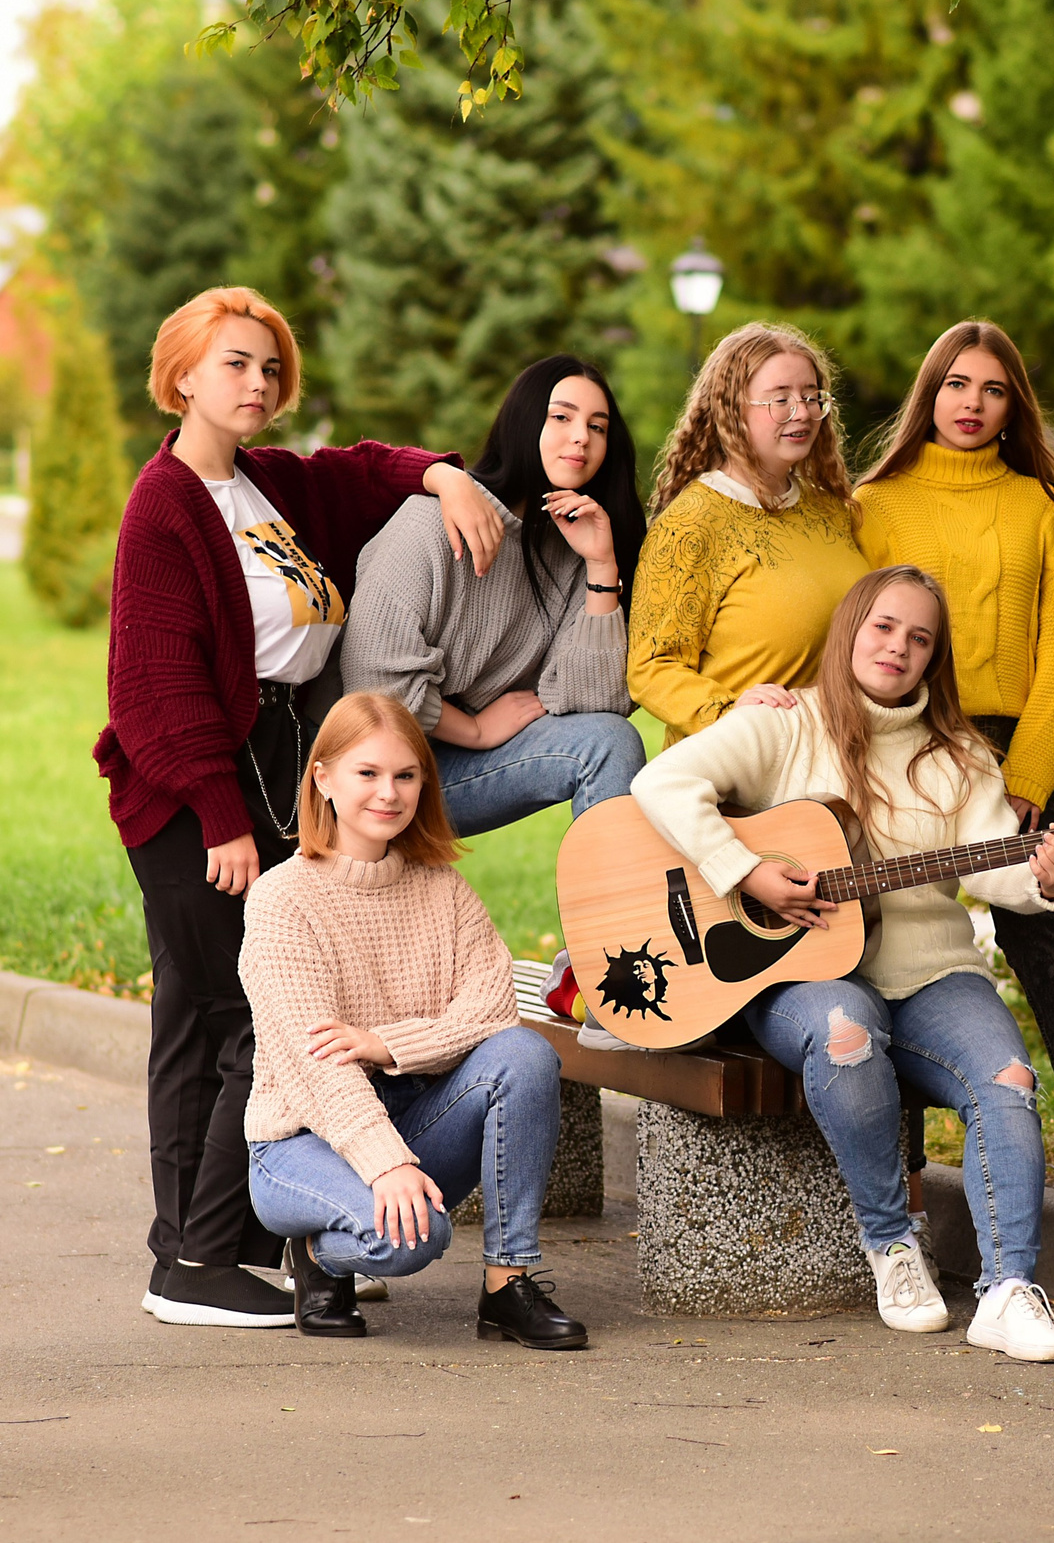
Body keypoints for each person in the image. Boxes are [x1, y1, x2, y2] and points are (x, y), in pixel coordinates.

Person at [97, 285, 506, 1330]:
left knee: (253, 1018)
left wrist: (445, 475)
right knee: (218, 1015)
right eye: (235, 362)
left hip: (281, 775)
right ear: (182, 373)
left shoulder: (269, 485)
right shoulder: (168, 503)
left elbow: (363, 470)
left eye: (271, 367)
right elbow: (156, 682)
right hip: (199, 789)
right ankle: (189, 1257)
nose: (259, 383)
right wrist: (220, 813)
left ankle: (232, 1242)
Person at [630, 566, 1054, 1362]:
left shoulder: (960, 754)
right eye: (883, 626)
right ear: (850, 628)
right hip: (802, 974)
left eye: (919, 638)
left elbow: (989, 872)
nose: (898, 647)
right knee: (845, 1031)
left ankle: (1009, 1290)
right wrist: (746, 870)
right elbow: (661, 779)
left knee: (1008, 1079)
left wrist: (1046, 879)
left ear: (935, 658)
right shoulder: (785, 724)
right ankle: (892, 1243)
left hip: (933, 970)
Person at [853, 320, 1054, 1230]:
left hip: (1008, 741)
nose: (972, 403)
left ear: (1013, 404)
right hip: (897, 735)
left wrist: (1029, 768)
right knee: (887, 928)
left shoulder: (1037, 508)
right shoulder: (875, 502)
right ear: (929, 393)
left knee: (1039, 936)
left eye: (992, 389)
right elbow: (857, 628)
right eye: (955, 384)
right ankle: (901, 1183)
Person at [238, 692, 585, 1349]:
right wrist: (386, 1162)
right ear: (324, 778)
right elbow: (318, 1069)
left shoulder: (443, 890)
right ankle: (317, 1253)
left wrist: (384, 1042)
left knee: (525, 1052)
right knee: (418, 1237)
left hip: (415, 1108)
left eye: (406, 775)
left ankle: (507, 1284)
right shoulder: (284, 899)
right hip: (303, 1138)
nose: (388, 793)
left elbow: (493, 1012)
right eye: (367, 773)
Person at [339, 355, 648, 836]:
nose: (582, 437)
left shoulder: (574, 549)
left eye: (598, 426)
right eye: (561, 417)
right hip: (362, 768)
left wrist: (601, 566)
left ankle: (618, 909)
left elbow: (594, 701)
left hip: (446, 772)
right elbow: (373, 683)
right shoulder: (428, 524)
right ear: (524, 423)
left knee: (609, 740)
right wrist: (475, 730)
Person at [626, 322, 871, 746]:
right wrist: (730, 712)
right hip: (735, 768)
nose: (803, 412)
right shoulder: (693, 522)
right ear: (731, 409)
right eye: (780, 399)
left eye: (812, 396)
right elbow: (650, 667)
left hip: (831, 757)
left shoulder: (831, 509)